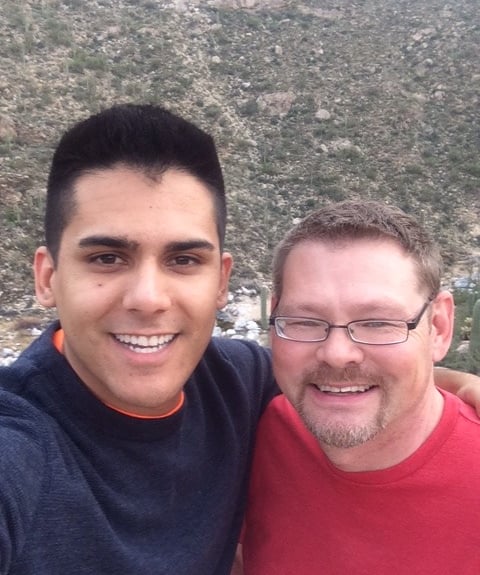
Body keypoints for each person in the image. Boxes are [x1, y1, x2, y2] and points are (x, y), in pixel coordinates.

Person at [0, 107, 477, 574]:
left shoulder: (235, 382)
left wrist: (456, 382)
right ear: (47, 277)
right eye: (106, 258)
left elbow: (337, 372)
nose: (148, 298)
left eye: (183, 260)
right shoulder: (20, 440)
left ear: (221, 281)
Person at [240, 200, 480, 574]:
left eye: (378, 323)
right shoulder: (253, 433)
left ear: (438, 327)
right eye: (305, 321)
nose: (337, 354)